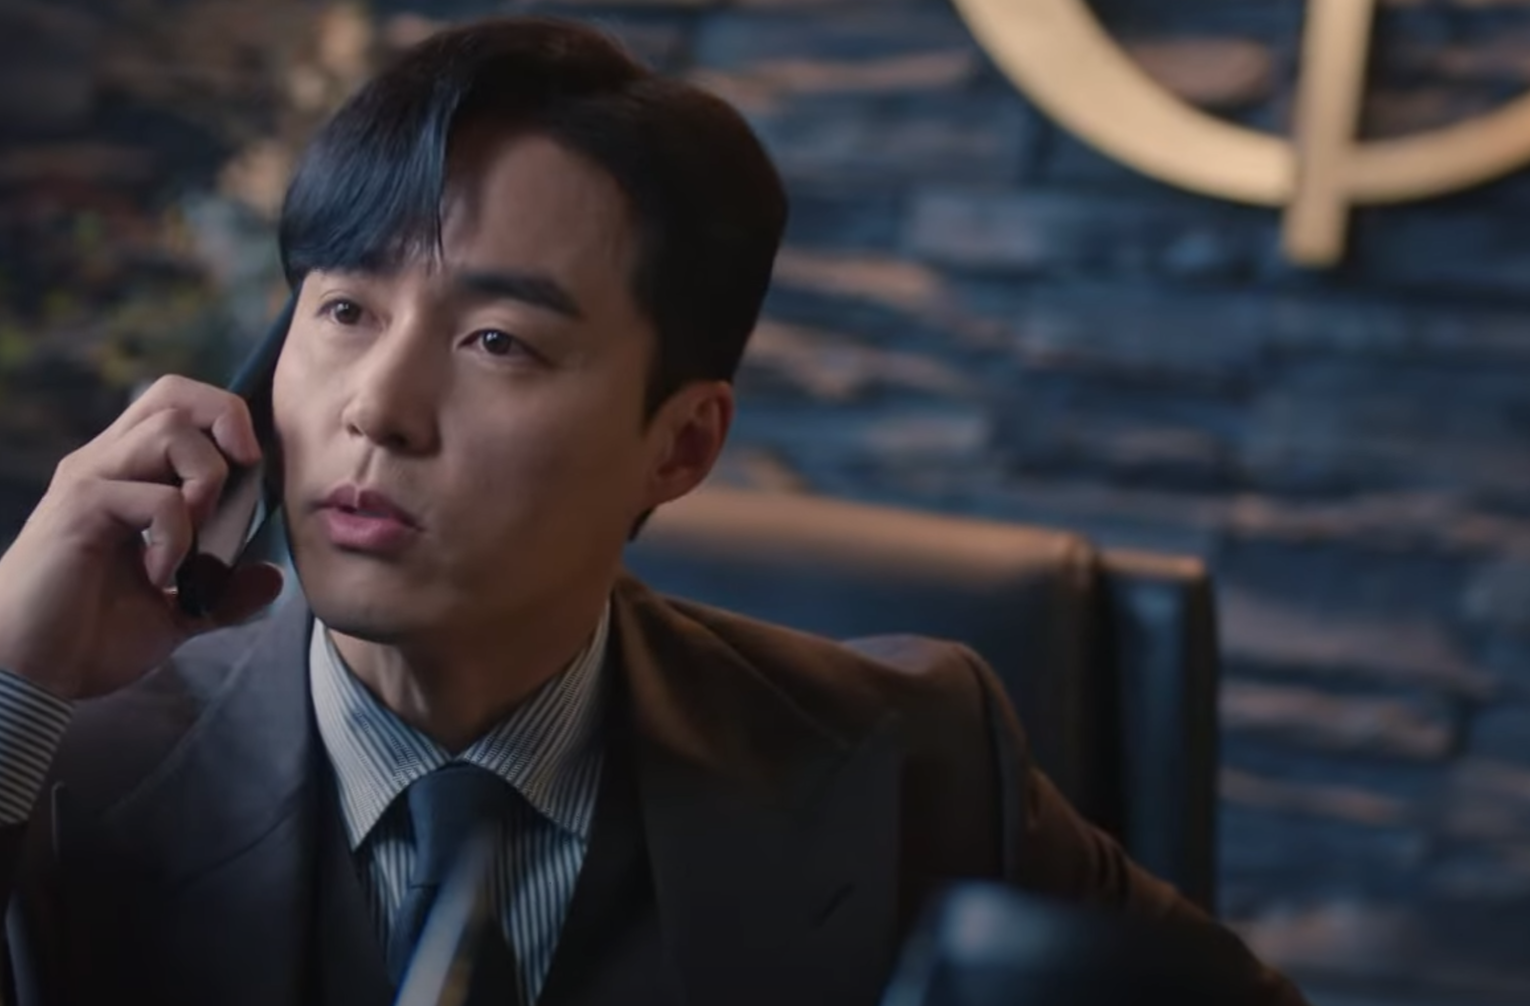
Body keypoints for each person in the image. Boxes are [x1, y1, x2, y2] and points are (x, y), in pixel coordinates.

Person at [0, 15, 1309, 1006]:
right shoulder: (57, 753)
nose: (379, 408)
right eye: (344, 309)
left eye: (498, 341)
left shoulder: (913, 763)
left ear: (680, 444)